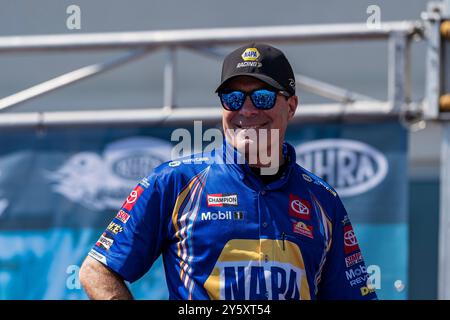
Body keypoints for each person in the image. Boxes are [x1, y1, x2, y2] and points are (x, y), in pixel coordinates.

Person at [79, 43, 377, 300]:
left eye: (262, 97)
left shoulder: (323, 201)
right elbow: (97, 270)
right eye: (233, 98)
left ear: (292, 106)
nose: (246, 110)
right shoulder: (173, 182)